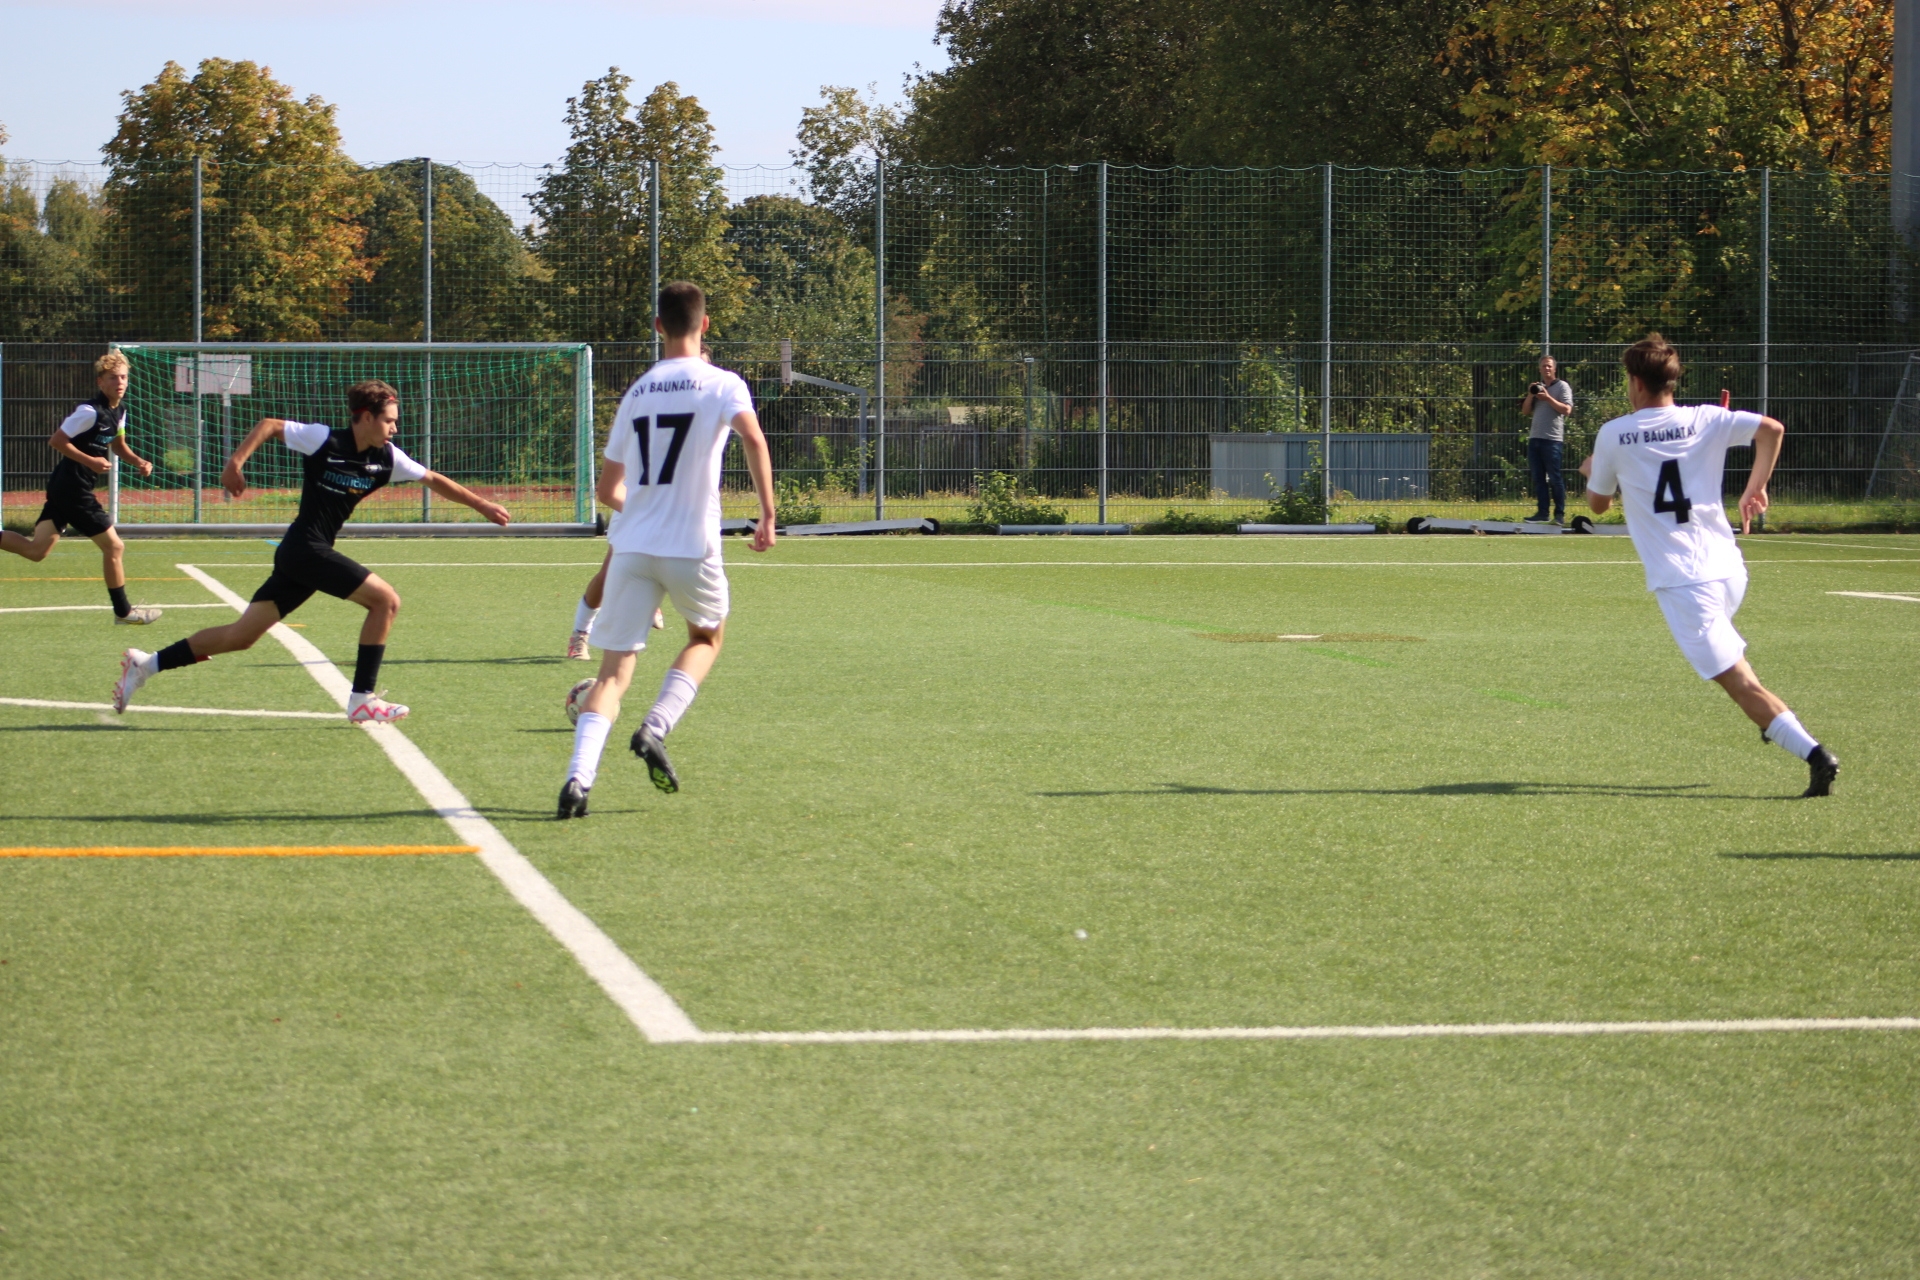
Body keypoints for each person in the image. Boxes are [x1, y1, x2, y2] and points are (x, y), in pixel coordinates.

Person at [113, 380, 510, 722]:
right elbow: (269, 425)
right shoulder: (324, 439)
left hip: (301, 555)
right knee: (385, 601)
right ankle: (363, 699)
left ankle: (146, 664)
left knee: (240, 636)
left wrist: (483, 506)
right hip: (305, 549)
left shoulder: (388, 459)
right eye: (389, 420)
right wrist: (235, 463)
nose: (395, 427)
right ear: (365, 417)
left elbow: (434, 479)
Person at [1579, 334, 1837, 796]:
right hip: (1729, 570)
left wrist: (1590, 469)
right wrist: (1755, 487)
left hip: (1684, 582)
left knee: (1740, 684)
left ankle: (1814, 754)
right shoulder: (1706, 417)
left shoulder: (1615, 433)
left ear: (1636, 382)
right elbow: (1772, 430)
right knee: (1738, 671)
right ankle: (1778, 724)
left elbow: (1598, 505)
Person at [557, 281, 777, 819]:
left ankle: (577, 780)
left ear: (658, 326)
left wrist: (644, 510)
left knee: (611, 675)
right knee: (705, 637)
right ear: (706, 325)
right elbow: (753, 438)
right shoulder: (723, 383)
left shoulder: (637, 392)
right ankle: (655, 726)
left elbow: (608, 489)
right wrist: (768, 513)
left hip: (632, 548)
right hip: (690, 545)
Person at [2, 350, 161, 624]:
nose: (120, 382)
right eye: (113, 378)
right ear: (100, 381)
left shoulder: (119, 411)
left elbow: (118, 445)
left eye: (123, 377)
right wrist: (91, 461)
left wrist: (139, 461)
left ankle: (123, 612)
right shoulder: (89, 411)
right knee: (114, 547)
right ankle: (123, 612)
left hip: (66, 487)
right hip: (73, 489)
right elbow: (57, 440)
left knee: (36, 551)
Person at [1519, 354, 1574, 525]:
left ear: (1555, 368)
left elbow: (1567, 410)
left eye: (1549, 366)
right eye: (1544, 366)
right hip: (1535, 438)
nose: (1547, 368)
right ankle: (1543, 513)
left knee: (1555, 478)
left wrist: (1548, 398)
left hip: (1552, 440)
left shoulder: (1562, 386)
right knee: (1538, 478)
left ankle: (1559, 514)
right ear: (1540, 369)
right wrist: (1531, 394)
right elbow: (1525, 411)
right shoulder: (1538, 388)